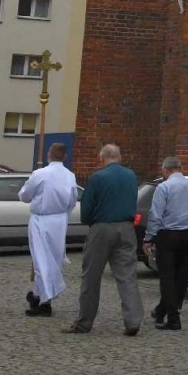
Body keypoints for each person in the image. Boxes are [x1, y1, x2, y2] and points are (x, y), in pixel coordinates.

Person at [63, 143, 143, 336]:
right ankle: (133, 321)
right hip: (126, 228)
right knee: (127, 276)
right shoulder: (131, 175)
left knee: (91, 276)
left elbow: (87, 207)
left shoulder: (97, 177)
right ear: (119, 157)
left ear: (102, 158)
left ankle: (84, 322)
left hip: (102, 227)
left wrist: (90, 221)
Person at [18, 142, 77, 317]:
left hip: (41, 219)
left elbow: (25, 196)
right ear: (65, 156)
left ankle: (45, 302)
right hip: (59, 220)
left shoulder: (40, 174)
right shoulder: (69, 176)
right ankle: (38, 295)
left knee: (41, 260)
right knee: (53, 259)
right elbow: (72, 200)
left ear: (49, 155)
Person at [144, 155, 188, 330]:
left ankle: (173, 317)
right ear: (180, 168)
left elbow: (155, 214)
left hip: (168, 234)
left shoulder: (164, 187)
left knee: (167, 276)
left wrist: (149, 237)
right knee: (181, 276)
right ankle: (162, 310)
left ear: (165, 170)